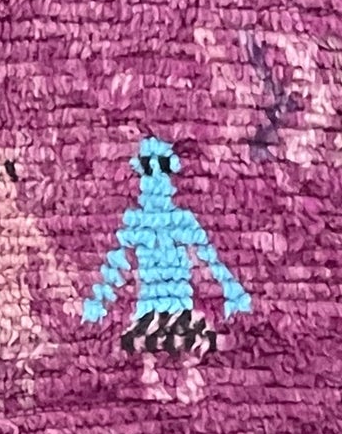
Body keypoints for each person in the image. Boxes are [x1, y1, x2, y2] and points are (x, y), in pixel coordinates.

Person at [82, 138, 251, 402]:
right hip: (150, 303)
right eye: (148, 168)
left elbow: (208, 258)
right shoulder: (137, 221)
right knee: (153, 347)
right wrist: (99, 299)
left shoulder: (181, 220)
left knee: (184, 345)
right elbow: (117, 262)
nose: (155, 177)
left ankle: (185, 380)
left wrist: (232, 291)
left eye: (160, 167)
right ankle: (156, 381)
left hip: (179, 302)